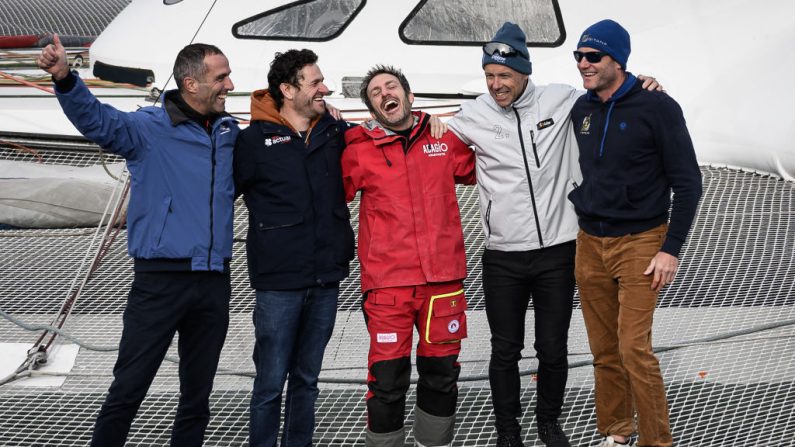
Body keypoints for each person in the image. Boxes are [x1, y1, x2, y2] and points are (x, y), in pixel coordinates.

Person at [446, 22, 661, 447]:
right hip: (503, 254)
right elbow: (422, 136)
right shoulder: (472, 115)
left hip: (559, 250)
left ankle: (548, 423)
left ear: (524, 72)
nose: (496, 84)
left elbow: (612, 92)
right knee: (505, 350)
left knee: (553, 347)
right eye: (490, 76)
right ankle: (508, 432)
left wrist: (648, 83)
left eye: (504, 76)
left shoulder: (561, 99)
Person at [37, 36, 238, 446]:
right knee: (128, 389)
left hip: (214, 281)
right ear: (191, 83)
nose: (230, 85)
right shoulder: (148, 129)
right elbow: (97, 121)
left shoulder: (228, 131)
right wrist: (64, 78)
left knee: (197, 397)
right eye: (221, 77)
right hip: (160, 282)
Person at [568, 20, 702, 447]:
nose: (583, 64)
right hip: (589, 243)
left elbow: (688, 182)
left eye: (594, 57)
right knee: (604, 352)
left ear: (618, 61)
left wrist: (671, 249)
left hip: (641, 243)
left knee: (633, 349)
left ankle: (657, 441)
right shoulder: (581, 109)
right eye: (579, 56)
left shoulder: (658, 107)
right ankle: (617, 433)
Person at [340, 65, 476, 447]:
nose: (386, 93)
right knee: (387, 379)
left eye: (392, 85)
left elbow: (490, 164)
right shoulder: (357, 149)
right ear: (372, 108)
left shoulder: (445, 140)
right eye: (376, 92)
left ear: (410, 96)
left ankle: (435, 443)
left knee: (441, 373)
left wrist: (451, 125)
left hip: (443, 282)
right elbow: (329, 193)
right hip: (388, 287)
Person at [233, 49, 355, 447]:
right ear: (287, 89)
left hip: (325, 277)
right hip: (278, 283)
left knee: (307, 380)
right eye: (315, 82)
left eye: (322, 81)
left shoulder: (335, 132)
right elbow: (218, 193)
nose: (325, 88)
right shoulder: (252, 141)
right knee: (269, 383)